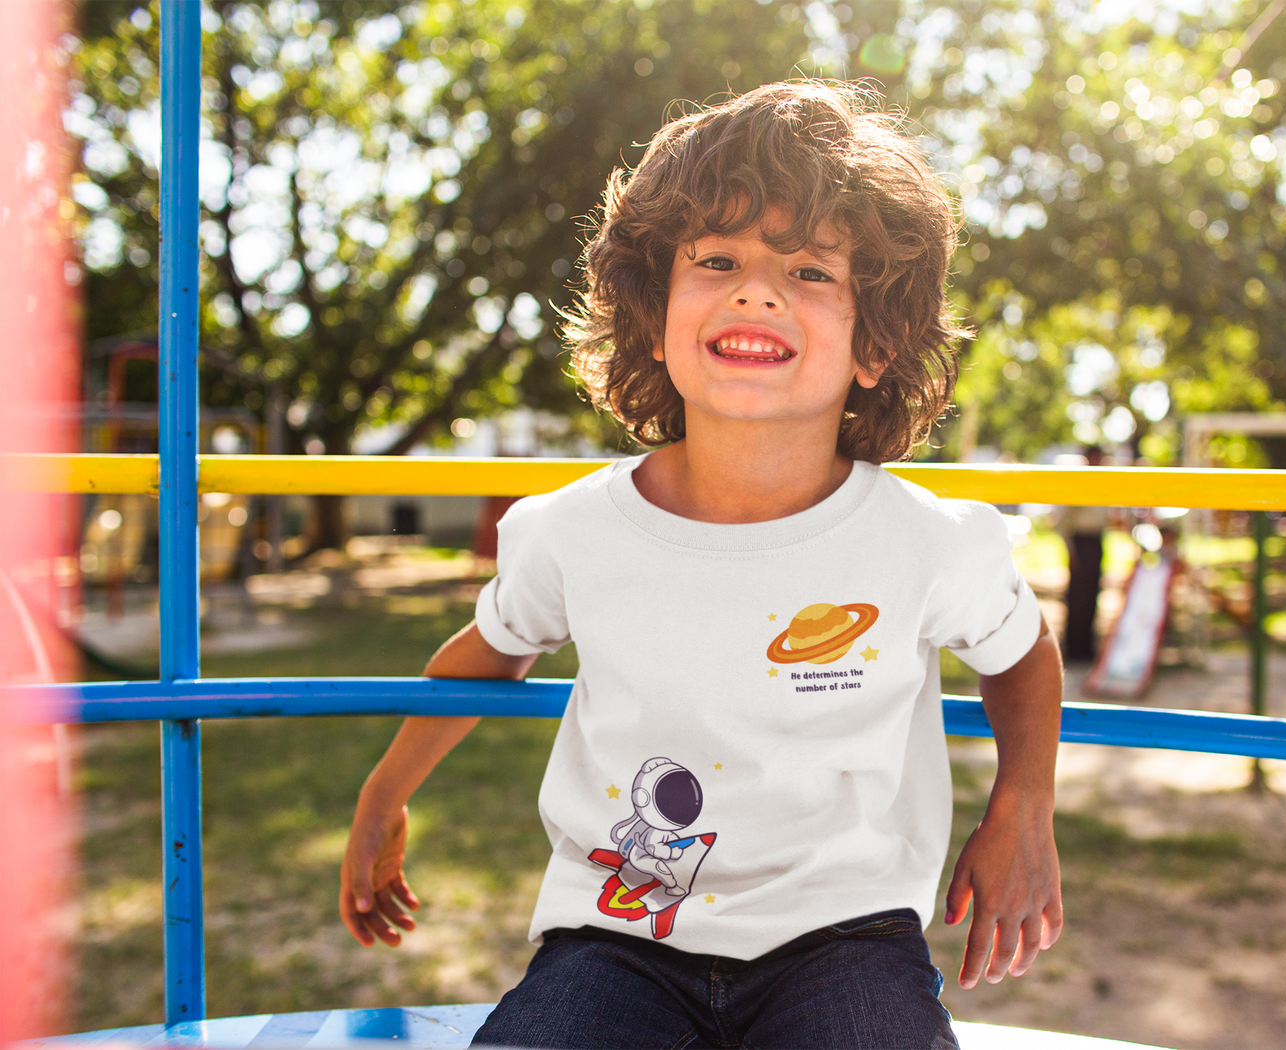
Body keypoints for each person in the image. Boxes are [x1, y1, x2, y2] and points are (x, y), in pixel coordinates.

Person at [339, 81, 1064, 1050]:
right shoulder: (572, 531)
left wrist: (1022, 803)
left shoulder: (924, 539)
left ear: (874, 342)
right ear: (652, 313)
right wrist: (382, 795)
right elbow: (488, 652)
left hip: (843, 940)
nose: (754, 290)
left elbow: (1019, 654)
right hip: (616, 937)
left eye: (809, 271)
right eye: (715, 258)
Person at [1057, 446, 1111, 663]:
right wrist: (1071, 552)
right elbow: (1064, 523)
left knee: (1092, 595)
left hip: (1096, 541)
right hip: (1081, 542)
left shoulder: (1104, 484)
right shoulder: (1078, 483)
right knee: (1077, 597)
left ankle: (1088, 647)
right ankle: (1073, 649)